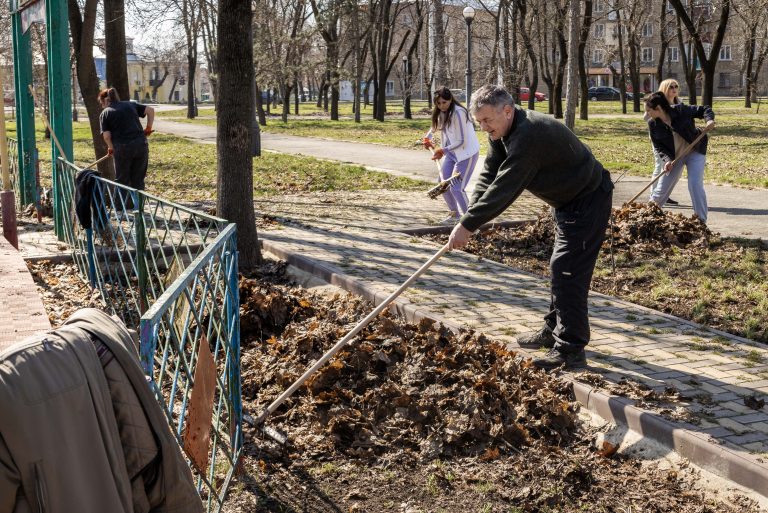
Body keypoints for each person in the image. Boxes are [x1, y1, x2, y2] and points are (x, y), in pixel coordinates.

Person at [447, 85, 614, 370]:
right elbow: (489, 173)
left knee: (566, 270)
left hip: (588, 200)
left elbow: (507, 186)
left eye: (487, 120)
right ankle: (554, 329)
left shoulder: (529, 136)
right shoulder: (503, 131)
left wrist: (469, 225)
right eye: (479, 122)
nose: (484, 127)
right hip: (566, 201)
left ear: (507, 111)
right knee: (560, 267)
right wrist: (471, 214)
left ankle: (571, 349)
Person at [645, 92, 715, 223]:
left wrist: (709, 120)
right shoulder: (653, 124)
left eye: (649, 110)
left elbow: (704, 109)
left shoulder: (681, 110)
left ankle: (701, 221)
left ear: (658, 108)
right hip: (675, 157)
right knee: (661, 189)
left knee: (695, 185)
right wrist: (666, 161)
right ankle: (647, 218)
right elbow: (659, 147)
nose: (647, 113)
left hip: (695, 150)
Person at [423, 87, 481, 224]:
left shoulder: (459, 112)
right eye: (438, 103)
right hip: (452, 154)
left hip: (467, 154)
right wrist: (426, 139)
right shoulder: (443, 112)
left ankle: (469, 222)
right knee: (442, 185)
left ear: (450, 99)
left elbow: (461, 140)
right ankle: (455, 215)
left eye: (444, 102)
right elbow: (435, 127)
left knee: (456, 188)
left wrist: (442, 151)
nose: (441, 106)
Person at [98, 87, 154, 209]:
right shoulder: (131, 105)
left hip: (122, 149)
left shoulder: (106, 113)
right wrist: (148, 128)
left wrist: (111, 148)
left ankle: (119, 209)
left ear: (106, 100)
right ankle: (139, 209)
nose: (102, 106)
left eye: (101, 103)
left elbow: (107, 136)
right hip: (141, 146)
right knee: (138, 180)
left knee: (121, 180)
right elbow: (150, 110)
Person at [646, 79, 682, 205]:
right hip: (659, 138)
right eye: (671, 86)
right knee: (660, 165)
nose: (674, 89)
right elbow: (647, 117)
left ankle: (664, 193)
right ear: (664, 88)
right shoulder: (657, 102)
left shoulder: (679, 102)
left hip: (673, 140)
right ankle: (654, 195)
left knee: (672, 167)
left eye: (676, 86)